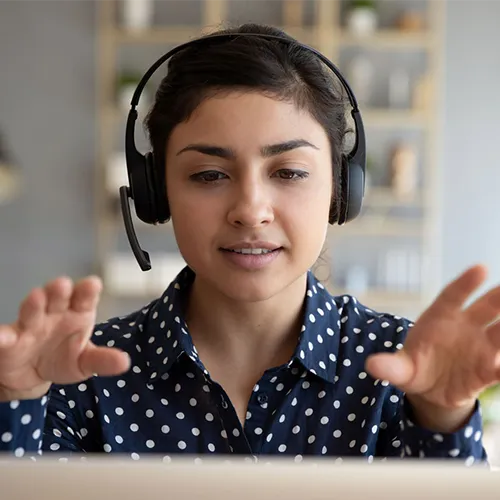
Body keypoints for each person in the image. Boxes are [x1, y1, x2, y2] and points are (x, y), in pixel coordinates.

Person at [0, 23, 498, 464]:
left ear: (341, 189)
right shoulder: (79, 372)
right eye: (210, 174)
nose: (251, 209)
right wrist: (16, 401)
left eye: (289, 172)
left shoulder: (404, 368)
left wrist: (442, 418)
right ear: (157, 191)